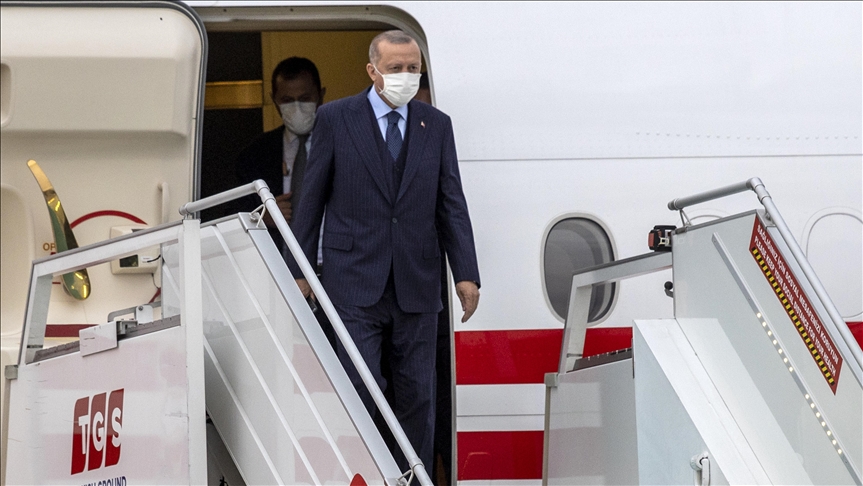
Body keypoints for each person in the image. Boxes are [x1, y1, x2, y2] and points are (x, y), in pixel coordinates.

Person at [289, 30, 480, 476]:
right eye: (396, 68)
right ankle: (359, 476)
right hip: (354, 279)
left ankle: (411, 478)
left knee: (418, 397)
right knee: (359, 387)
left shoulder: (436, 125)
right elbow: (311, 198)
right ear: (372, 71)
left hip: (417, 282)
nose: (406, 76)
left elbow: (451, 201)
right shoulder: (336, 118)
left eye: (414, 69)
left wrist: (465, 273)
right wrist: (299, 269)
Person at [235, 56, 334, 347]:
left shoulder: (343, 145)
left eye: (305, 98)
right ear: (274, 101)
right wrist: (261, 216)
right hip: (276, 278)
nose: (297, 107)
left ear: (321, 95)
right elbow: (228, 216)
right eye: (288, 100)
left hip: (337, 275)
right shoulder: (254, 155)